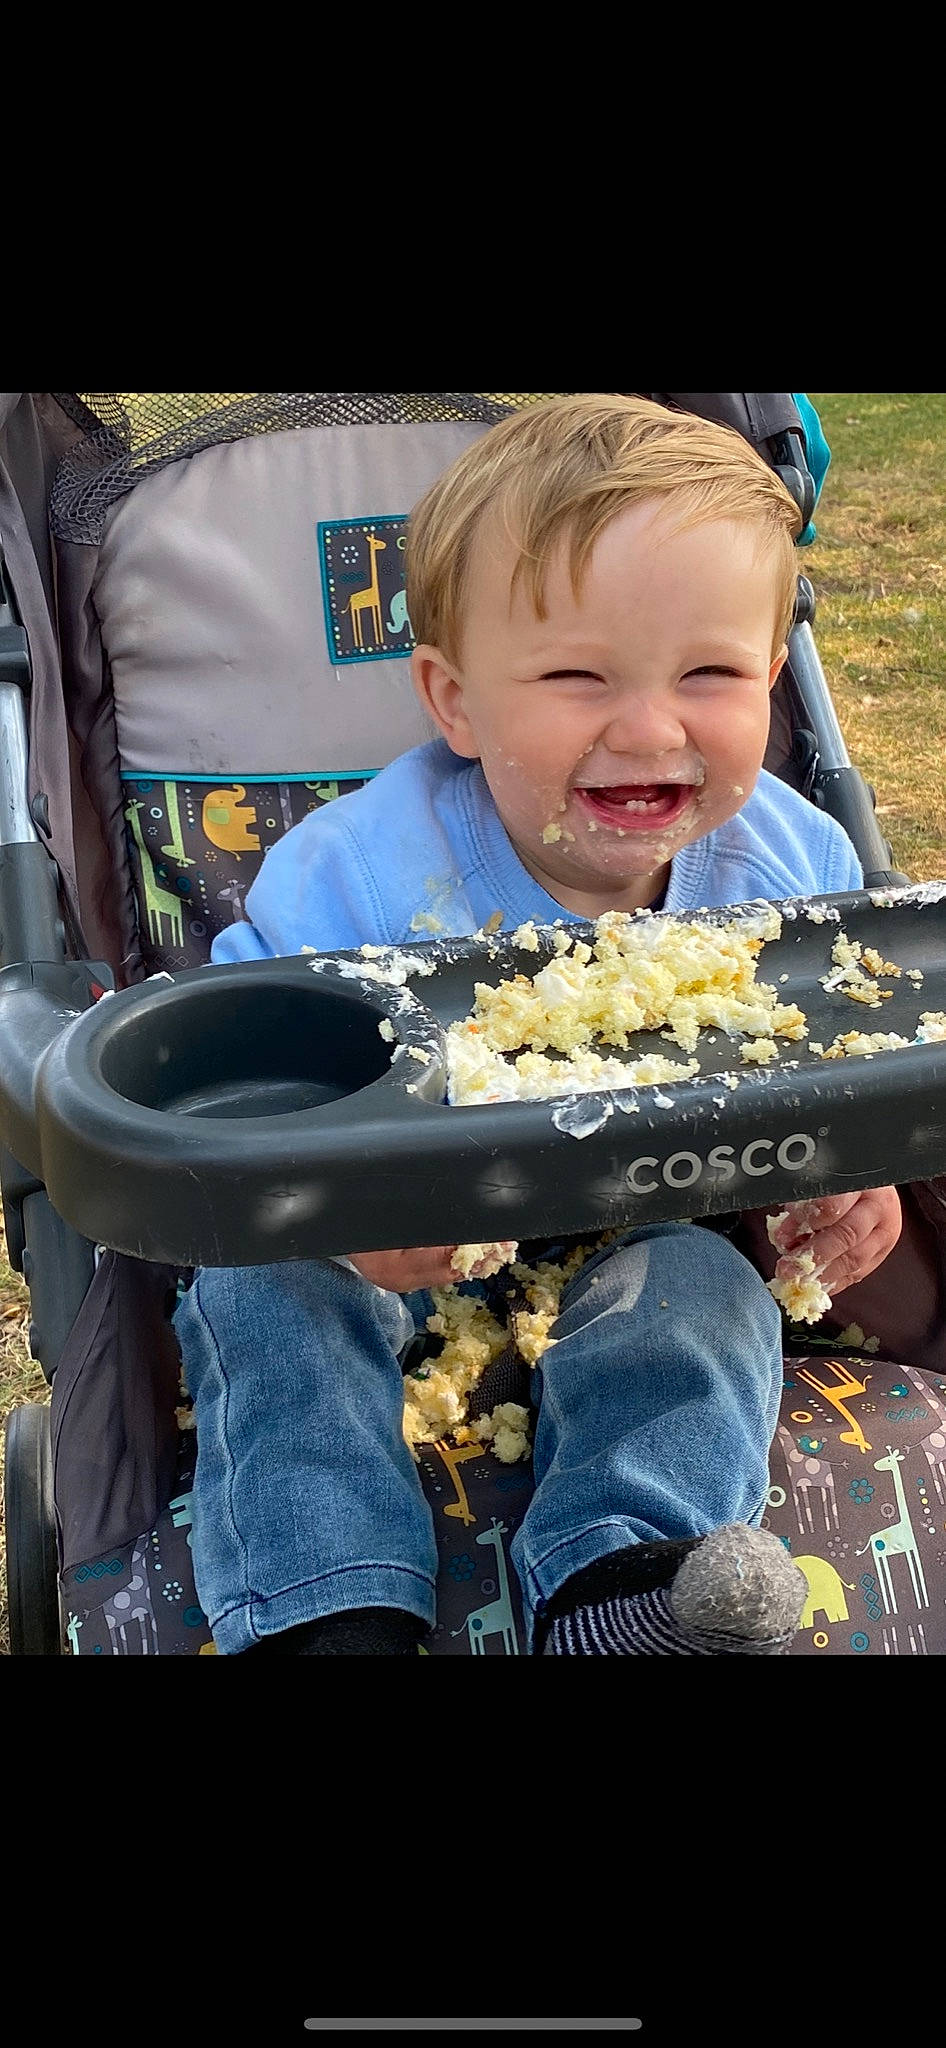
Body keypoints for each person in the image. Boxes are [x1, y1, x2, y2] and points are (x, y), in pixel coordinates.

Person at [174, 394, 902, 1656]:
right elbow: (245, 1078)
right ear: (453, 701)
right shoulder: (355, 876)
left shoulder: (795, 868)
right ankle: (325, 1597)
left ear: (771, 679)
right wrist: (339, 1212)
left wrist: (840, 1181)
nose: (649, 725)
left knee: (704, 1290)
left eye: (710, 673)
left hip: (640, 1224)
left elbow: (835, 1062)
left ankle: (617, 1579)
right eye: (577, 677)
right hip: (377, 1246)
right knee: (267, 1294)